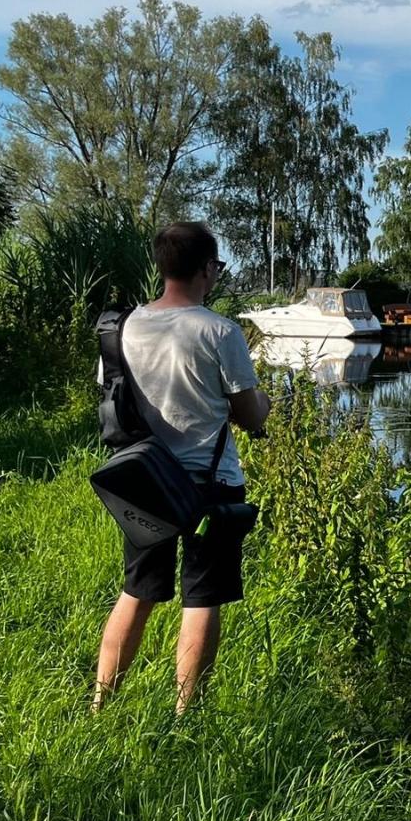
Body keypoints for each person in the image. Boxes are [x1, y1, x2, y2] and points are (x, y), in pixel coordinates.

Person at [93, 222, 271, 713]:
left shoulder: (123, 326)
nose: (216, 275)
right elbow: (249, 414)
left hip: (144, 480)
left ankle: (101, 703)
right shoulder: (219, 330)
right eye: (216, 266)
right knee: (201, 598)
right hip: (210, 486)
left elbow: (114, 394)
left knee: (136, 592)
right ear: (204, 269)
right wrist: (267, 403)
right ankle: (185, 712)